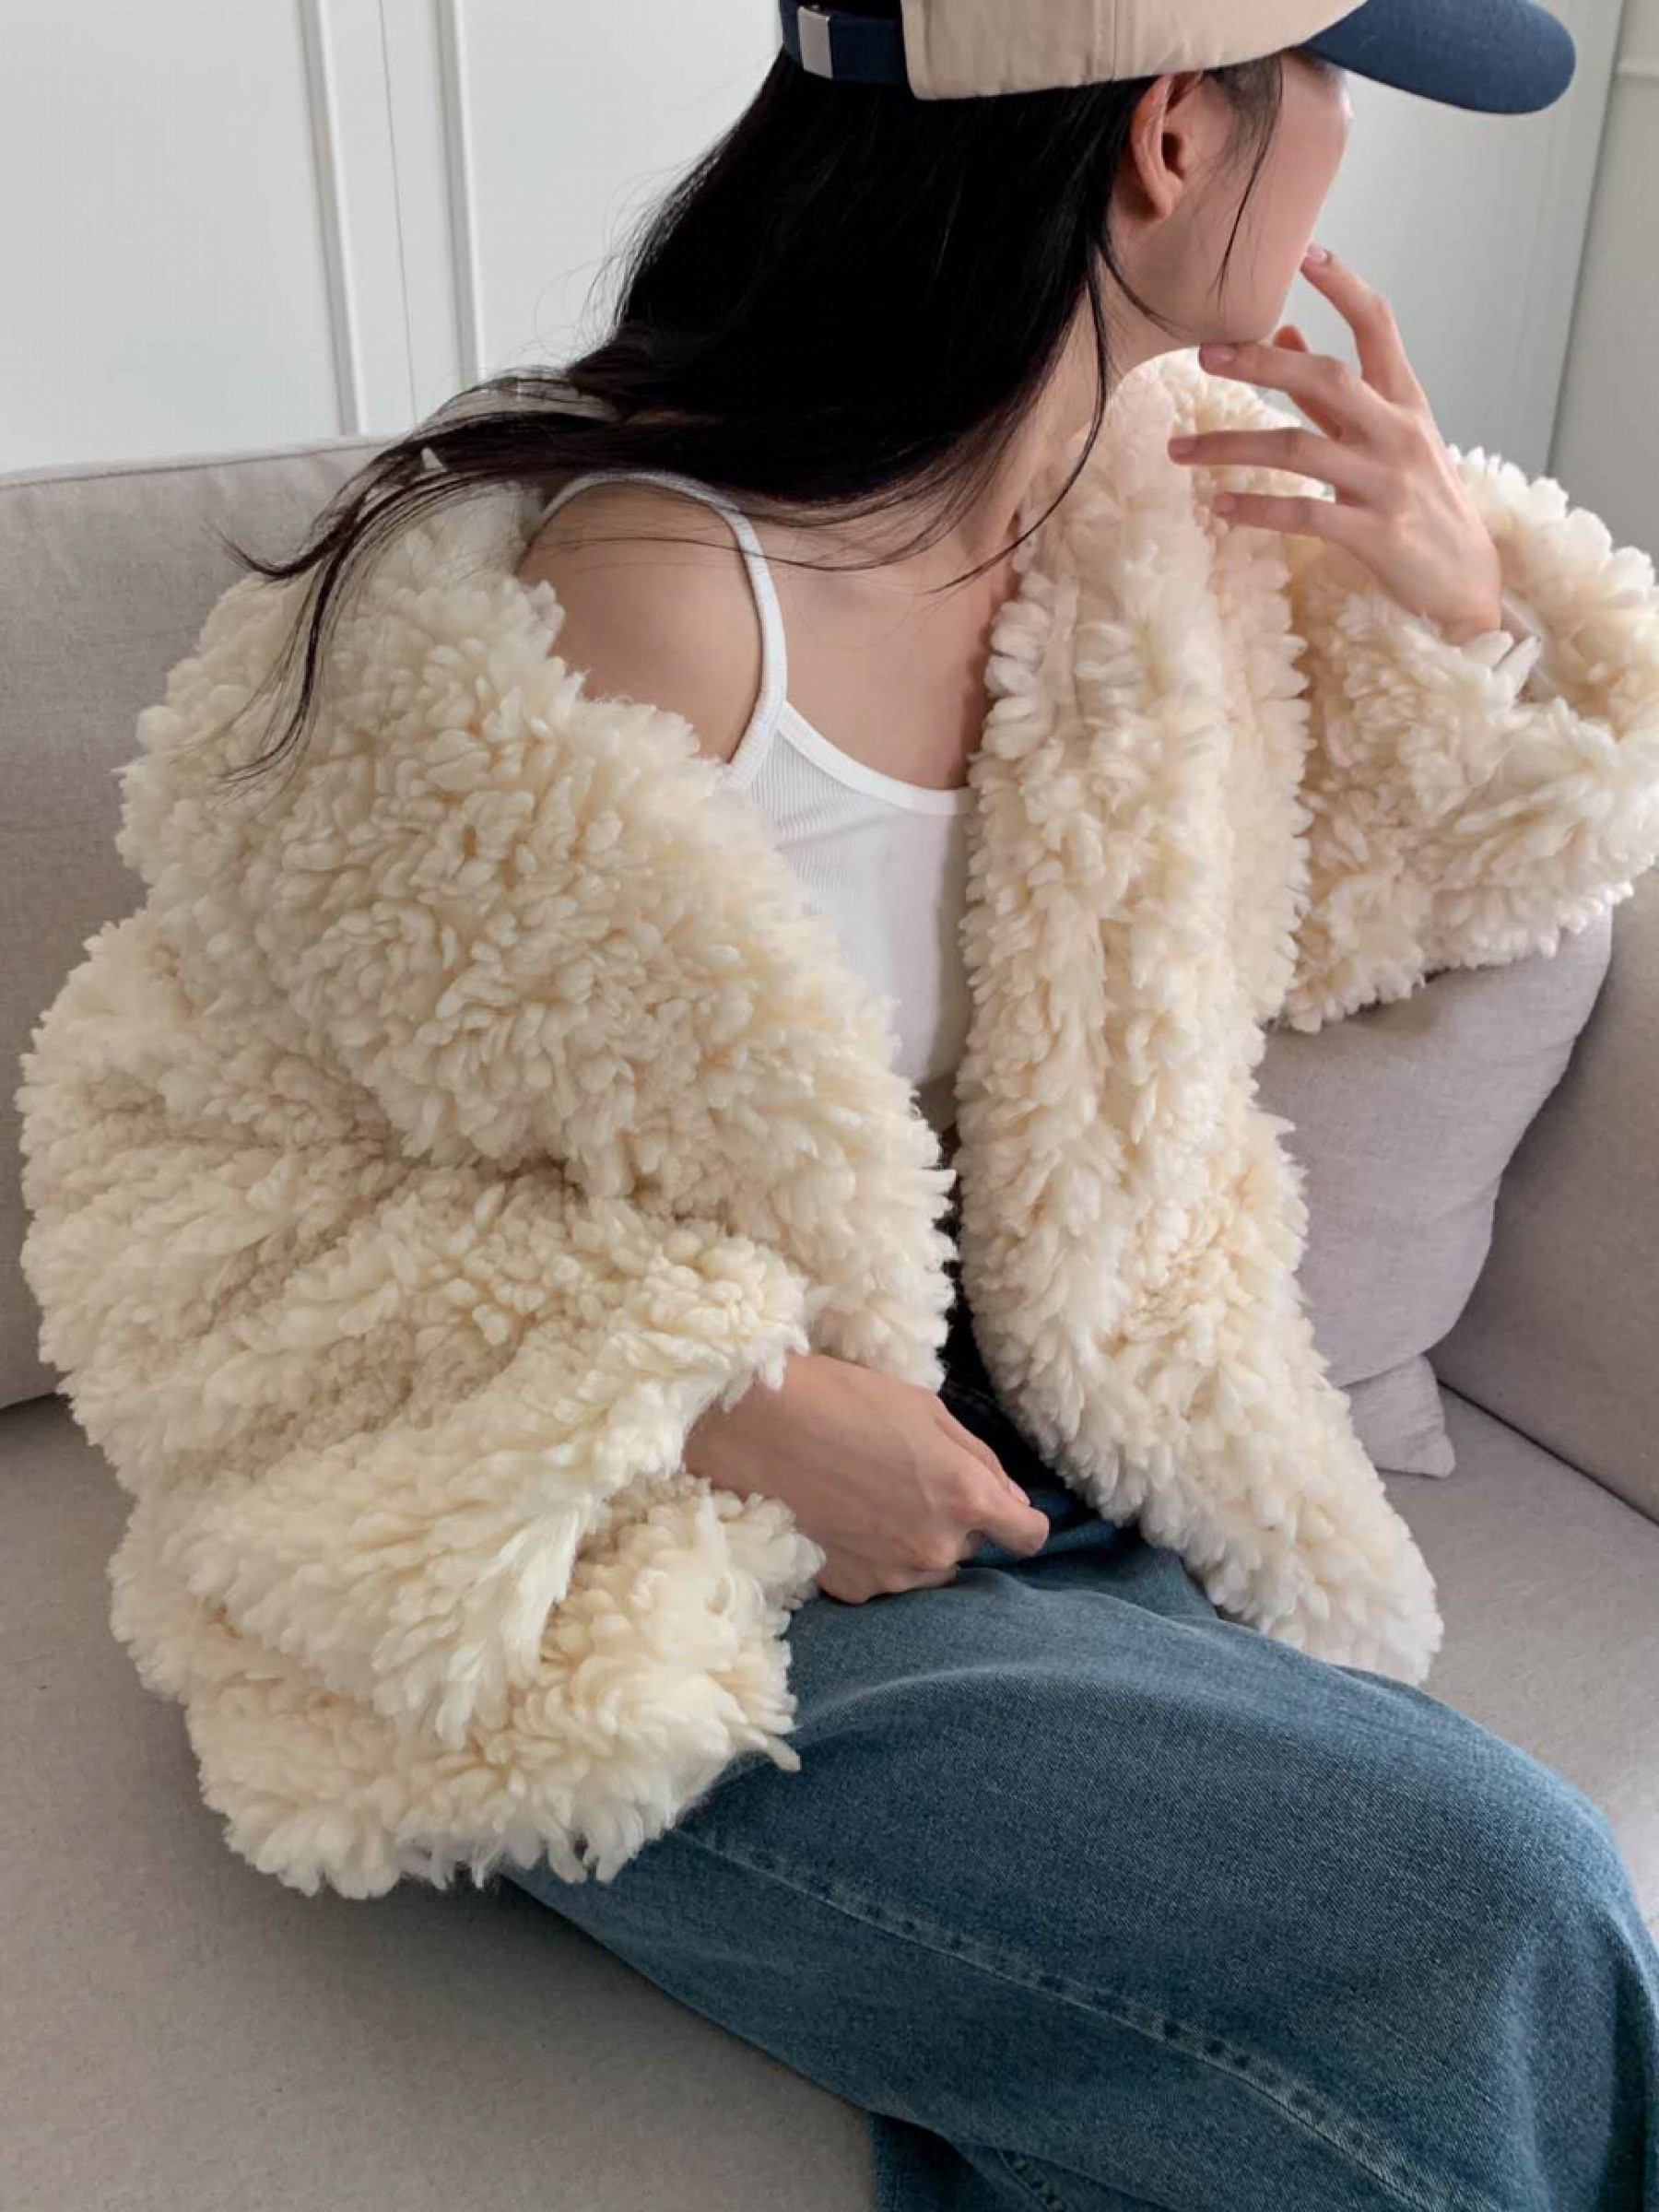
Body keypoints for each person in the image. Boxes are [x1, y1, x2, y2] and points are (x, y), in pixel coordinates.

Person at [16, 3, 1659, 2207]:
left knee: (1354, 2018)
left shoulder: (1159, 518)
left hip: (1063, 1476)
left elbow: (1371, 903)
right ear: (1175, 136)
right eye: (1336, 79)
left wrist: (1463, 615)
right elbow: (188, 1186)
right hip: (660, 1563)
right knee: (1501, 1899)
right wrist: (733, 1401)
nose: (1351, 142)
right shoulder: (639, 609)